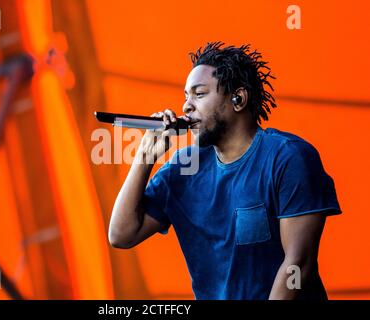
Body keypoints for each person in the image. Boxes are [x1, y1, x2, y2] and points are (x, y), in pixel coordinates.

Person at [108, 42, 341, 300]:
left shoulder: (288, 158)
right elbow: (121, 234)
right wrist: (144, 157)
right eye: (185, 96)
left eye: (199, 94)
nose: (186, 107)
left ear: (238, 99)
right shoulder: (183, 167)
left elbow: (298, 265)